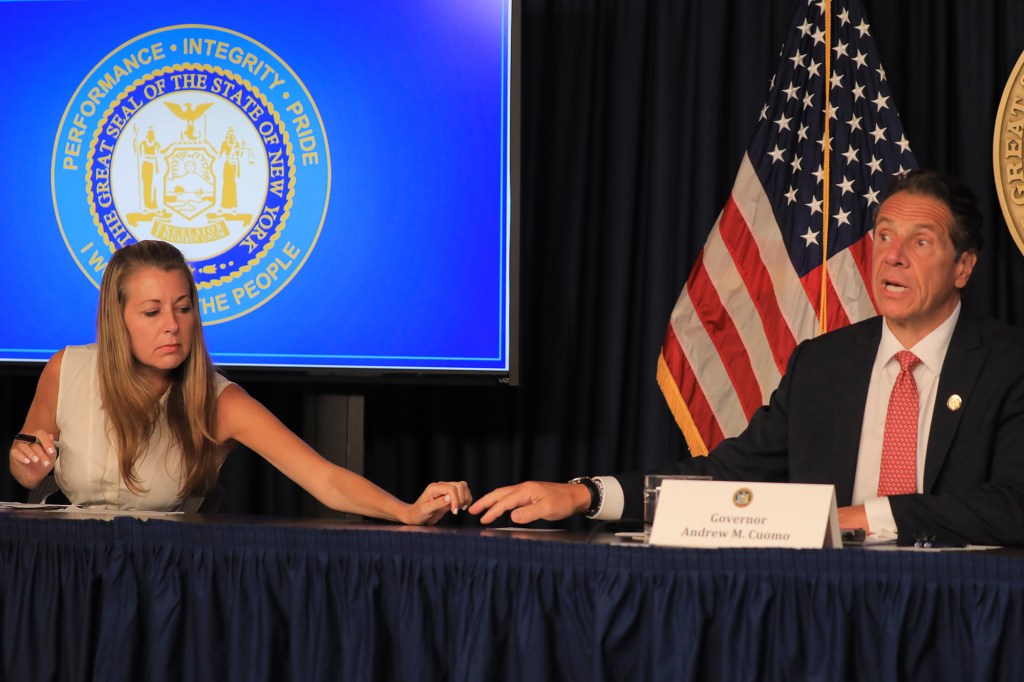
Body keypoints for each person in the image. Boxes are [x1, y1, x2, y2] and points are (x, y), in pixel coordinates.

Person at [470, 169, 1024, 546]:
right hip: (825, 607)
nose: (894, 256)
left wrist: (860, 519)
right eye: (883, 236)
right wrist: (585, 495)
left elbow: (1013, 504)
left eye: (921, 241)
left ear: (963, 267)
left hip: (961, 614)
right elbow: (722, 478)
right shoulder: (823, 366)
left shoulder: (1008, 365)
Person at [9, 240, 471, 523]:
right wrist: (26, 467)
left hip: (161, 576)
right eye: (152, 312)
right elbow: (26, 461)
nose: (172, 324)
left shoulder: (219, 401)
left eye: (183, 308)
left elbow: (324, 479)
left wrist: (407, 511)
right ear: (117, 319)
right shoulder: (65, 368)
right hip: (64, 565)